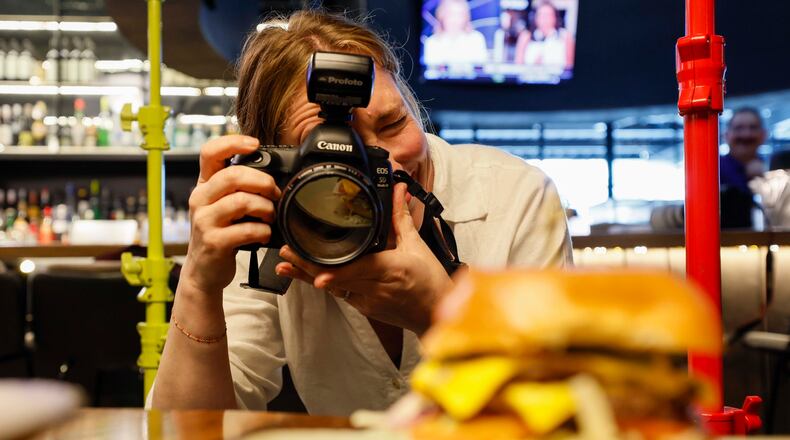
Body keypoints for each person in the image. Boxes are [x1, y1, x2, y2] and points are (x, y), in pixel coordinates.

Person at [150, 10, 572, 415]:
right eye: (339, 149)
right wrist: (198, 285)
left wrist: (441, 314)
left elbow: (568, 413)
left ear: (412, 105)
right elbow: (186, 429)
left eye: (392, 124)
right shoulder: (268, 222)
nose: (383, 162)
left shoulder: (516, 199)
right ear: (281, 171)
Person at [720, 107, 768, 228]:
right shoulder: (714, 168)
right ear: (726, 135)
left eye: (753, 128)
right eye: (739, 128)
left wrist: (766, 175)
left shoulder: (774, 170)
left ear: (763, 135)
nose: (746, 134)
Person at [422, 0, 488, 66]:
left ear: (466, 17)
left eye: (459, 15)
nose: (455, 20)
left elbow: (481, 70)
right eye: (451, 14)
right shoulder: (432, 42)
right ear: (442, 16)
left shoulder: (476, 39)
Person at [514, 0, 575, 71]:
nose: (545, 19)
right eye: (541, 15)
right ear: (535, 18)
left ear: (555, 18)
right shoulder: (526, 36)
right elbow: (518, 67)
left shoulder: (565, 36)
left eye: (548, 15)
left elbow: (570, 68)